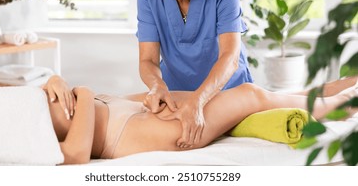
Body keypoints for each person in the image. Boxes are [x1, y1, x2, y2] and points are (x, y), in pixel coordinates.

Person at [43, 75, 358, 164]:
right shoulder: (21, 138)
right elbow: (75, 155)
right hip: (133, 132)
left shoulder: (17, 107)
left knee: (246, 98)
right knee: (249, 95)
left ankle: (326, 91)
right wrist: (83, 92)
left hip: (124, 108)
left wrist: (53, 81)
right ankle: (343, 104)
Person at [136, 0, 253, 147]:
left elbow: (230, 58)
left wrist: (198, 101)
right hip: (177, 95)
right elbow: (148, 59)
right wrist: (157, 86)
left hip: (228, 93)